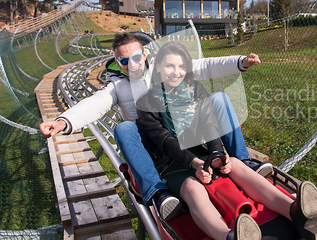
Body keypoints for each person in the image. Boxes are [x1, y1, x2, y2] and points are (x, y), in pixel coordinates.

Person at [39, 32, 271, 223]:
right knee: (124, 129)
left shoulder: (163, 69)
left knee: (218, 98)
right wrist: (63, 121)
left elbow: (203, 67)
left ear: (145, 54)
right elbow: (95, 104)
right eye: (124, 61)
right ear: (117, 62)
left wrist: (240, 62)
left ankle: (244, 160)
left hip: (182, 128)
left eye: (137, 57)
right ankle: (157, 192)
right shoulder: (117, 84)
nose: (133, 64)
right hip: (154, 140)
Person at [136, 42, 317, 240]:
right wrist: (194, 164)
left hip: (202, 155)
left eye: (181, 66)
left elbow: (209, 124)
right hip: (174, 164)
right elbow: (165, 141)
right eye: (169, 66)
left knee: (234, 162)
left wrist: (217, 153)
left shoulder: (195, 89)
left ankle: (293, 210)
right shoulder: (147, 103)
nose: (176, 72)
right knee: (192, 187)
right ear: (158, 67)